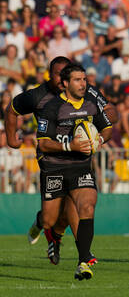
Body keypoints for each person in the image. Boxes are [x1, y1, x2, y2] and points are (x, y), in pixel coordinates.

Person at [5, 56, 117, 264]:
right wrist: (12, 139)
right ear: (51, 75)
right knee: (51, 217)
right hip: (51, 160)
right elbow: (11, 110)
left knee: (76, 204)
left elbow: (110, 111)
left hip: (78, 159)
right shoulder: (38, 96)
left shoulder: (85, 91)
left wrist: (99, 129)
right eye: (58, 74)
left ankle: (83, 256)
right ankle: (46, 226)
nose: (63, 78)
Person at [35, 63, 112, 280]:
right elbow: (43, 144)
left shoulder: (91, 104)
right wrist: (71, 146)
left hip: (80, 167)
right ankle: (43, 225)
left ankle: (83, 262)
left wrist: (99, 139)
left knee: (87, 205)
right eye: (77, 80)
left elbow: (107, 127)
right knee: (50, 220)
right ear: (66, 83)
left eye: (84, 79)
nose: (83, 84)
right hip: (54, 168)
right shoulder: (52, 107)